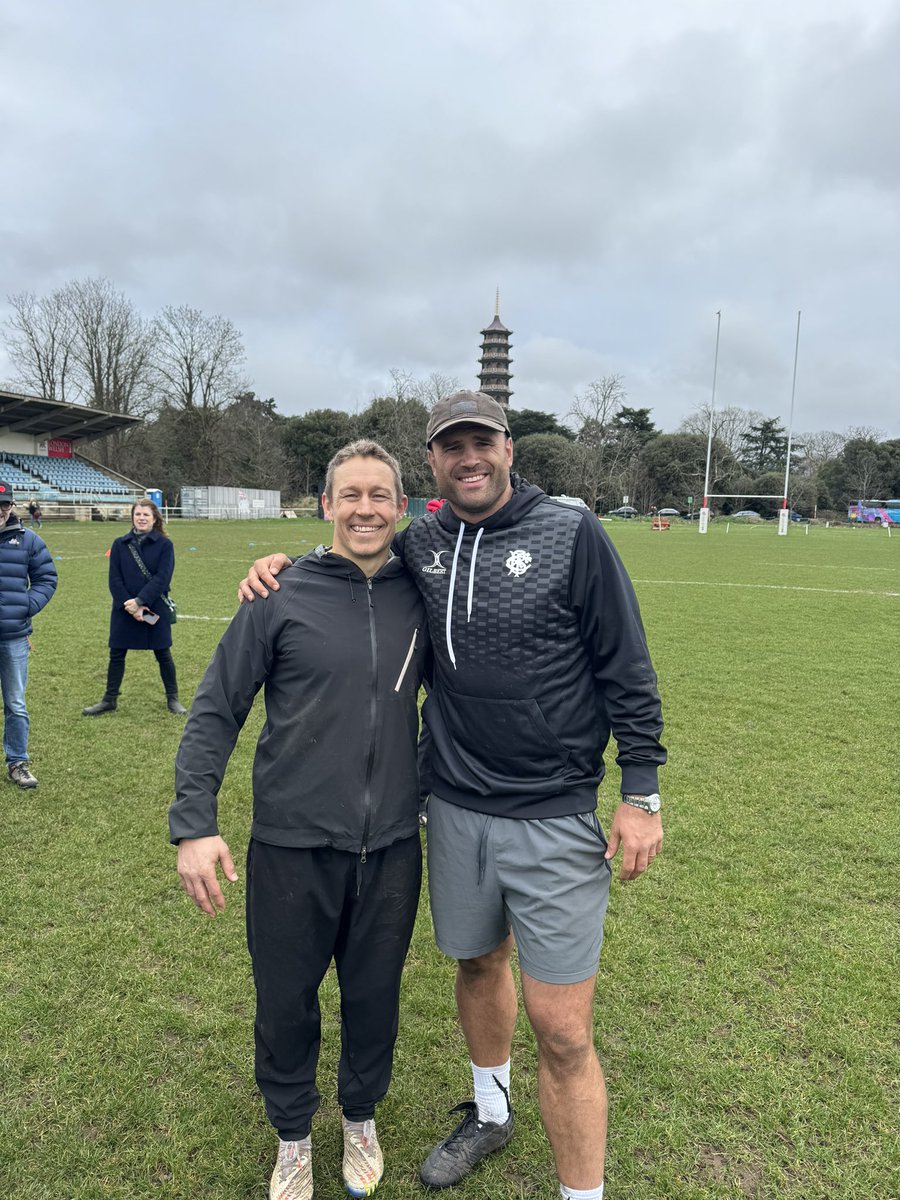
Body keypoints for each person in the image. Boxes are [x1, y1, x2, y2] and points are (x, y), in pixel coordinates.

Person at [239, 392, 666, 1200]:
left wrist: (640, 791)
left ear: (509, 448)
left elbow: (627, 668)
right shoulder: (425, 540)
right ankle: (491, 1110)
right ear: (432, 463)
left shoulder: (573, 533)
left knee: (564, 1029)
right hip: (455, 806)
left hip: (556, 812)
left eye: (482, 441)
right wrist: (283, 565)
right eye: (451, 446)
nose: (468, 457)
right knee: (477, 963)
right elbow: (353, 560)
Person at [170, 441, 429, 1200]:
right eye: (350, 495)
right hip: (289, 843)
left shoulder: (424, 590)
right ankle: (291, 1135)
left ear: (402, 508)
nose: (365, 509)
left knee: (374, 995)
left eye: (379, 496)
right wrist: (194, 822)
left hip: (389, 846)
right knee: (286, 1000)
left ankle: (359, 1117)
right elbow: (217, 709)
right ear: (325, 505)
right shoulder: (277, 594)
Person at [82, 500, 186, 716]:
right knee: (117, 653)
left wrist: (140, 602)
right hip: (125, 609)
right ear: (132, 517)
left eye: (146, 514)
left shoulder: (165, 545)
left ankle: (173, 698)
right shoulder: (120, 544)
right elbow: (114, 579)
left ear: (155, 518)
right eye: (137, 514)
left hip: (153, 608)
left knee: (163, 653)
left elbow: (162, 578)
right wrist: (129, 605)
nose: (141, 518)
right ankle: (109, 699)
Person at [0, 481, 57, 788]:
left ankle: (17, 762)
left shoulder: (27, 539)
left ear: (11, 506)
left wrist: (26, 605)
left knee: (15, 704)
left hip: (14, 637)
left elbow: (47, 578)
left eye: (4, 505)